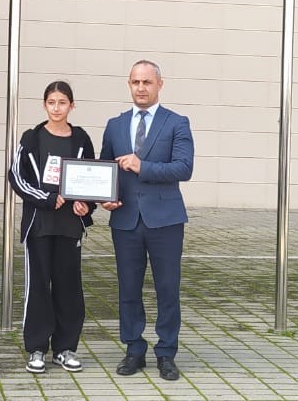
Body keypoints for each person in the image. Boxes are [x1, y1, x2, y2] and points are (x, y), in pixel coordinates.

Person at [98, 60, 194, 381]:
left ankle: (166, 352)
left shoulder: (177, 123)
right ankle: (134, 349)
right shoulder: (115, 125)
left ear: (159, 85)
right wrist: (105, 197)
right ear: (129, 84)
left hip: (165, 221)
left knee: (167, 289)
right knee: (128, 288)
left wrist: (143, 166)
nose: (141, 88)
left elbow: (184, 168)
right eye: (136, 82)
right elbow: (106, 169)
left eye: (147, 82)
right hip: (125, 219)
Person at [7, 81, 97, 374]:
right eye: (51, 102)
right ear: (44, 105)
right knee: (38, 288)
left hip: (70, 227)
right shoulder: (32, 138)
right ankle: (36, 349)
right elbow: (16, 177)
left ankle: (65, 349)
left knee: (69, 288)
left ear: (72, 105)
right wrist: (44, 198)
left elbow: (92, 177)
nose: (57, 108)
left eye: (62, 102)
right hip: (40, 226)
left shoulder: (81, 139)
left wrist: (86, 204)